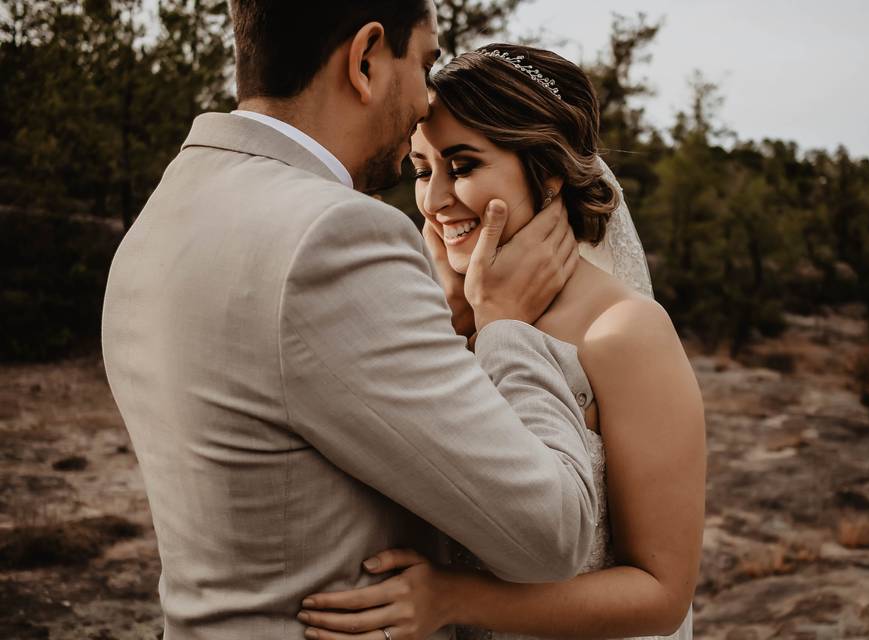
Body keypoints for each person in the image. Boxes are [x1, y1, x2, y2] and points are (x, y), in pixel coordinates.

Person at [100, 4, 603, 637]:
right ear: (366, 59)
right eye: (422, 62)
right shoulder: (333, 235)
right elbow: (551, 535)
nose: (425, 99)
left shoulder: (165, 210)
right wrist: (505, 327)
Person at [297, 44, 705, 640]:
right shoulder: (436, 318)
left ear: (548, 170)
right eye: (421, 169)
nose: (434, 201)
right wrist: (458, 324)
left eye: (462, 167)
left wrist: (453, 599)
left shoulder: (625, 334)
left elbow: (661, 594)